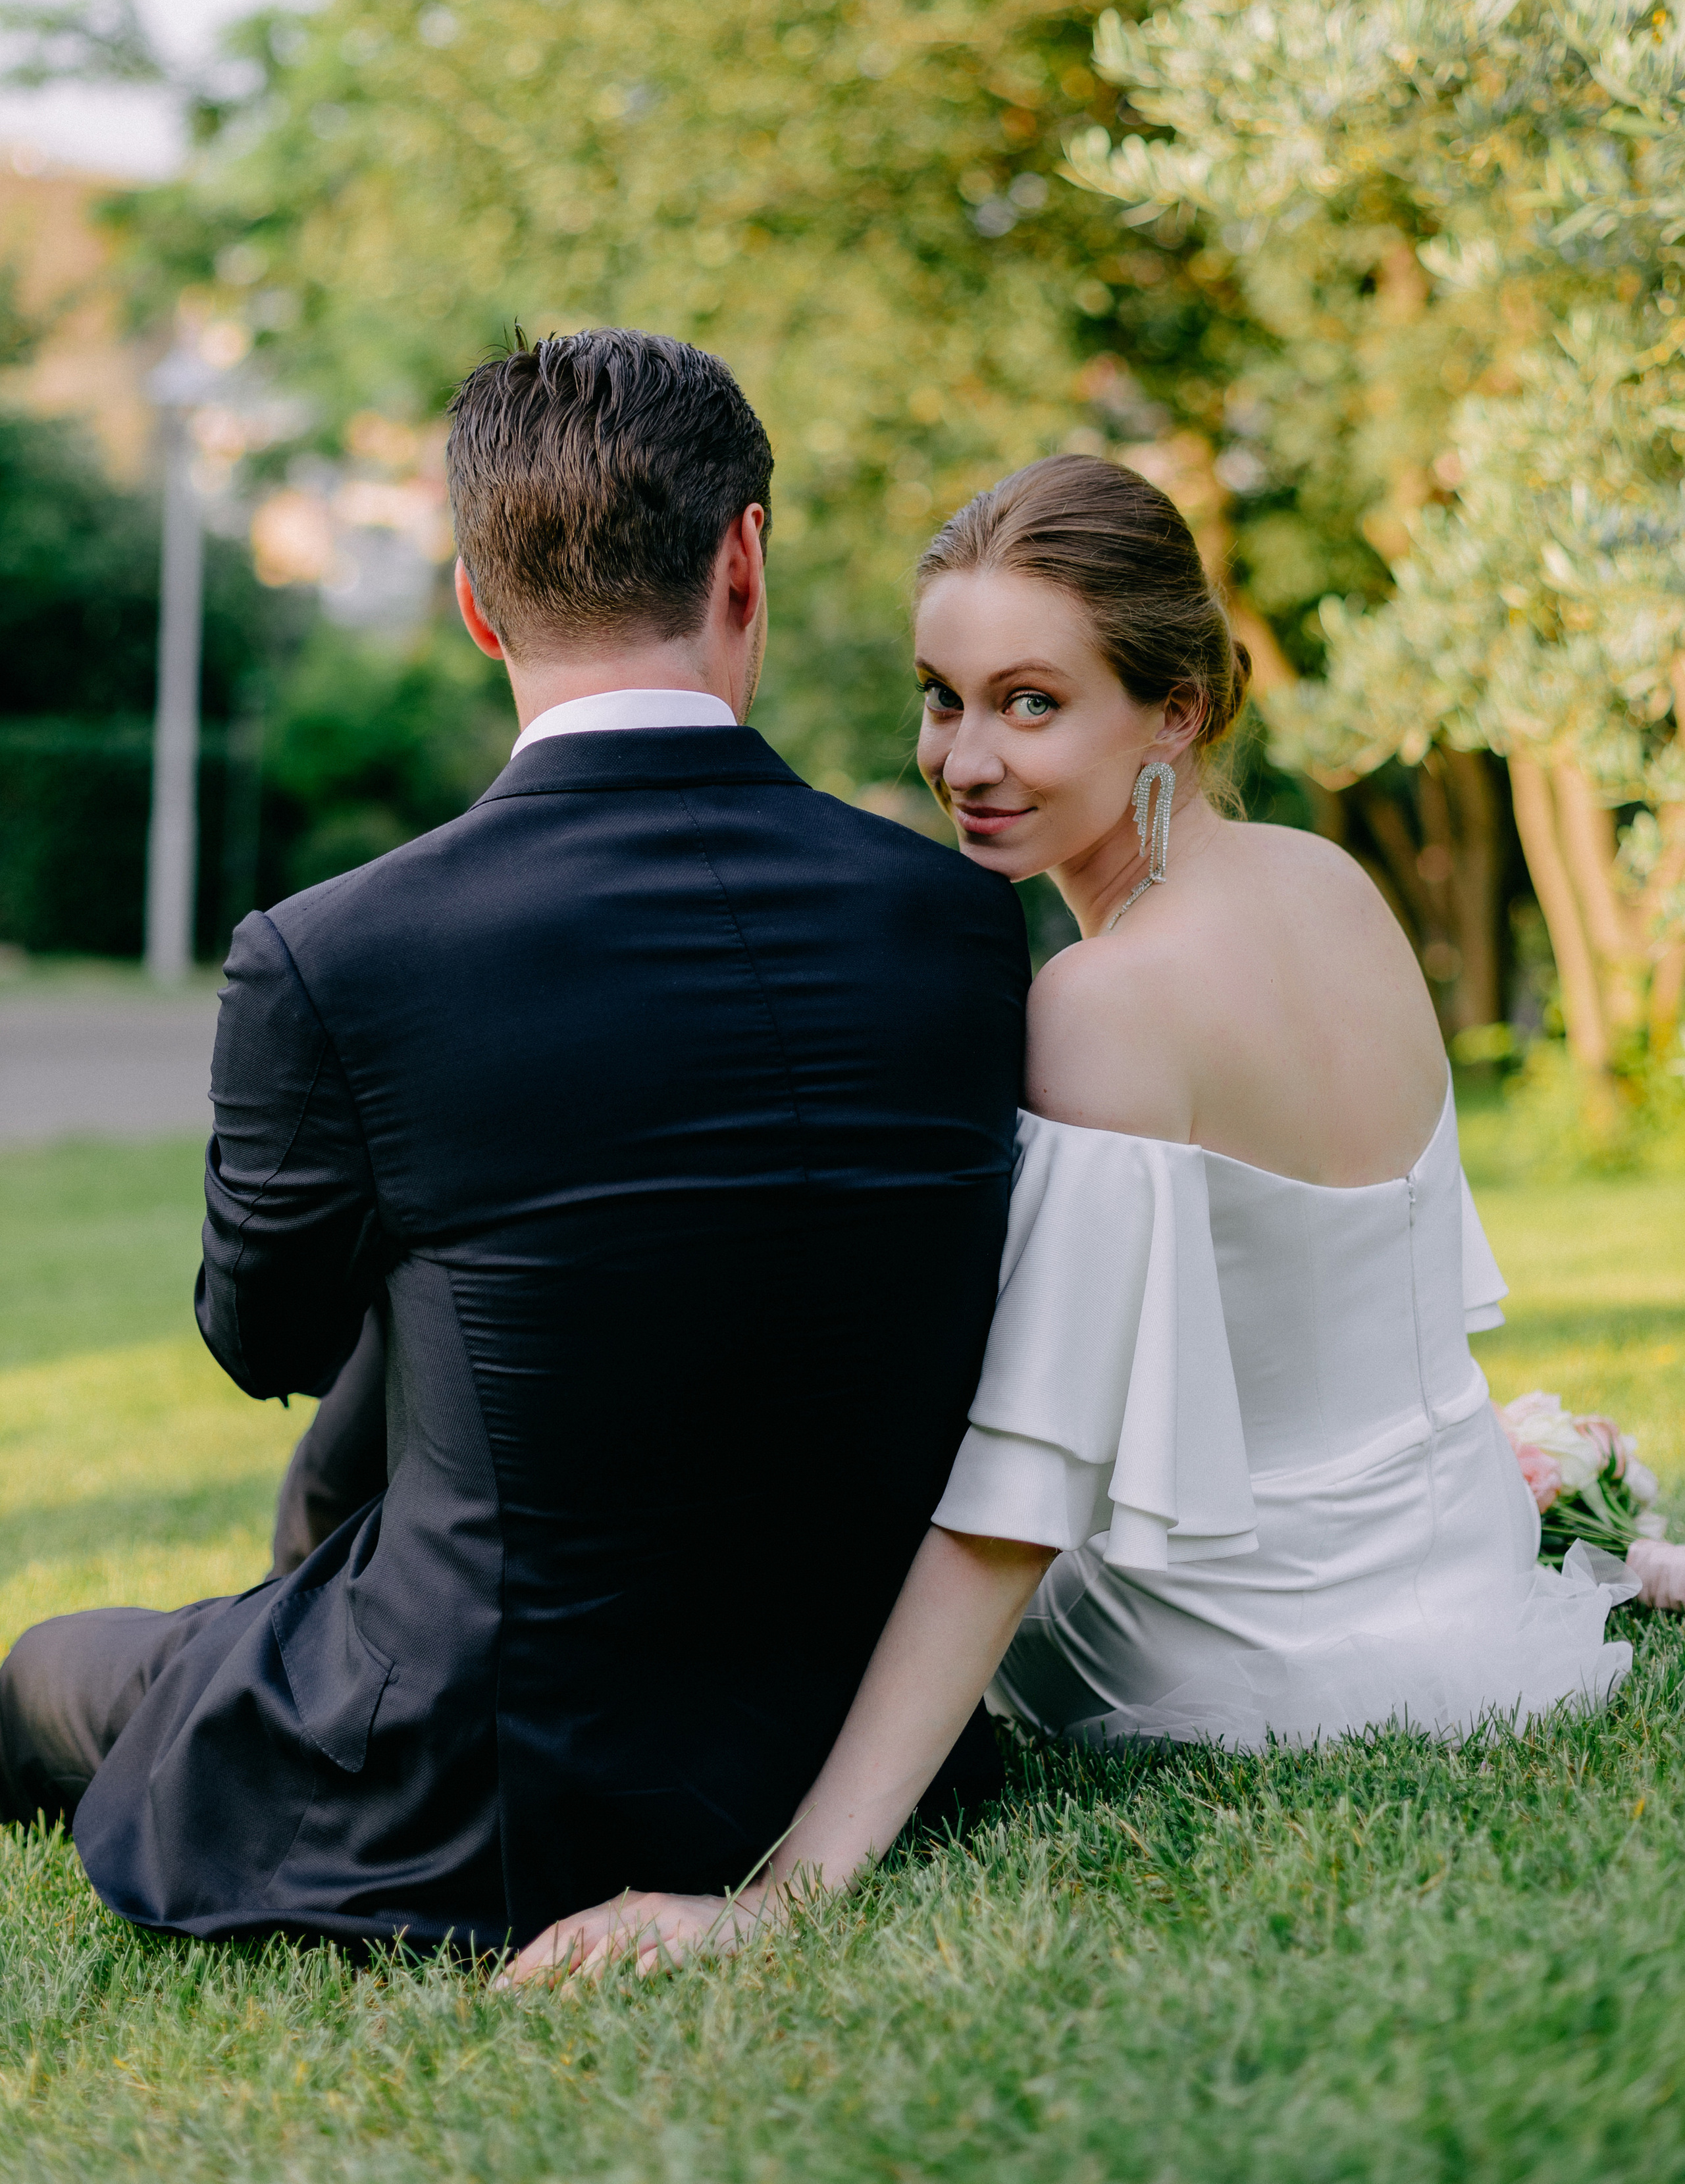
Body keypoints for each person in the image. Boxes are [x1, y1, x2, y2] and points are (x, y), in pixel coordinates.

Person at [514, 453, 1643, 1985]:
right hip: (1456, 1582)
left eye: (1030, 703)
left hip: (1250, 1653)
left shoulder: (1099, 1003)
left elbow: (1017, 1499)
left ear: (1173, 708)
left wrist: (781, 1895)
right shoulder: (1329, 883)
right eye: (941, 696)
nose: (964, 757)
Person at [0, 330, 1028, 1953]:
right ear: (742, 561)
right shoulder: (961, 926)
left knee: (51, 1670)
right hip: (856, 1739)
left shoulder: (333, 952)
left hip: (480, 1788)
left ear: (475, 603)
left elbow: (261, 1333)